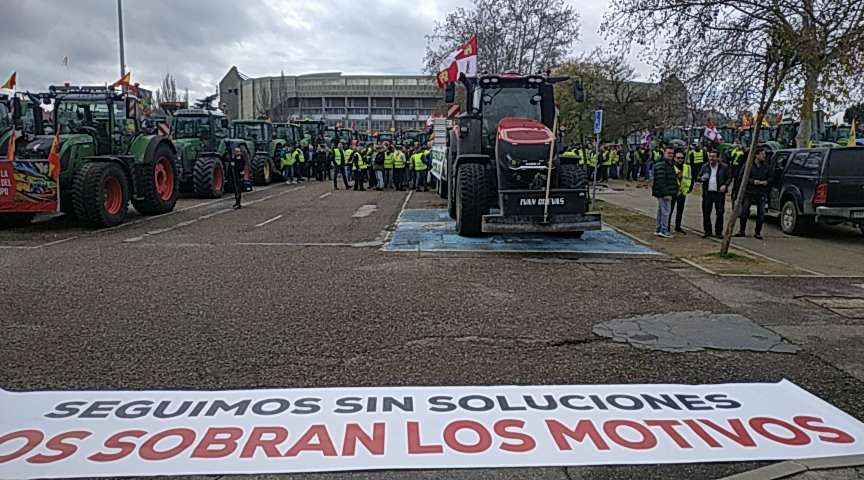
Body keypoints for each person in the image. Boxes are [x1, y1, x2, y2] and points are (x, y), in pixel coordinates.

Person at [736, 147, 771, 240]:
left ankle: (757, 232)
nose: (764, 156)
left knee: (761, 213)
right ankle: (742, 230)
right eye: (762, 154)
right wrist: (752, 181)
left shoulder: (766, 166)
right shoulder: (748, 165)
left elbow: (771, 177)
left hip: (761, 193)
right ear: (756, 155)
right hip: (749, 192)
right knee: (744, 212)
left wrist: (766, 182)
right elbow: (741, 177)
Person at [698, 150, 733, 238]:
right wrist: (701, 178)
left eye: (713, 156)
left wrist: (725, 185)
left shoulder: (724, 167)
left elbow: (729, 177)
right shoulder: (705, 166)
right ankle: (707, 231)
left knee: (720, 213)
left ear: (717, 158)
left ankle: (718, 232)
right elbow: (698, 176)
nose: (711, 158)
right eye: (710, 156)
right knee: (706, 212)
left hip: (719, 194)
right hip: (707, 193)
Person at [652, 147, 678, 238]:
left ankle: (659, 229)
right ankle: (664, 230)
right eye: (669, 153)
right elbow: (661, 180)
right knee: (665, 211)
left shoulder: (669, 164)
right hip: (664, 193)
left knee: (661, 211)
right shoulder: (662, 165)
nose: (671, 155)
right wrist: (665, 193)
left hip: (664, 191)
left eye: (672, 153)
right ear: (664, 153)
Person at [668, 149, 692, 235]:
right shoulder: (671, 167)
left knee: (680, 211)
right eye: (678, 158)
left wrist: (689, 188)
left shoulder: (687, 167)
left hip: (682, 192)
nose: (680, 159)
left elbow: (690, 178)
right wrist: (677, 177)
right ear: (674, 158)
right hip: (673, 192)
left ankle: (678, 227)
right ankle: (667, 227)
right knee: (669, 211)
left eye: (682, 158)